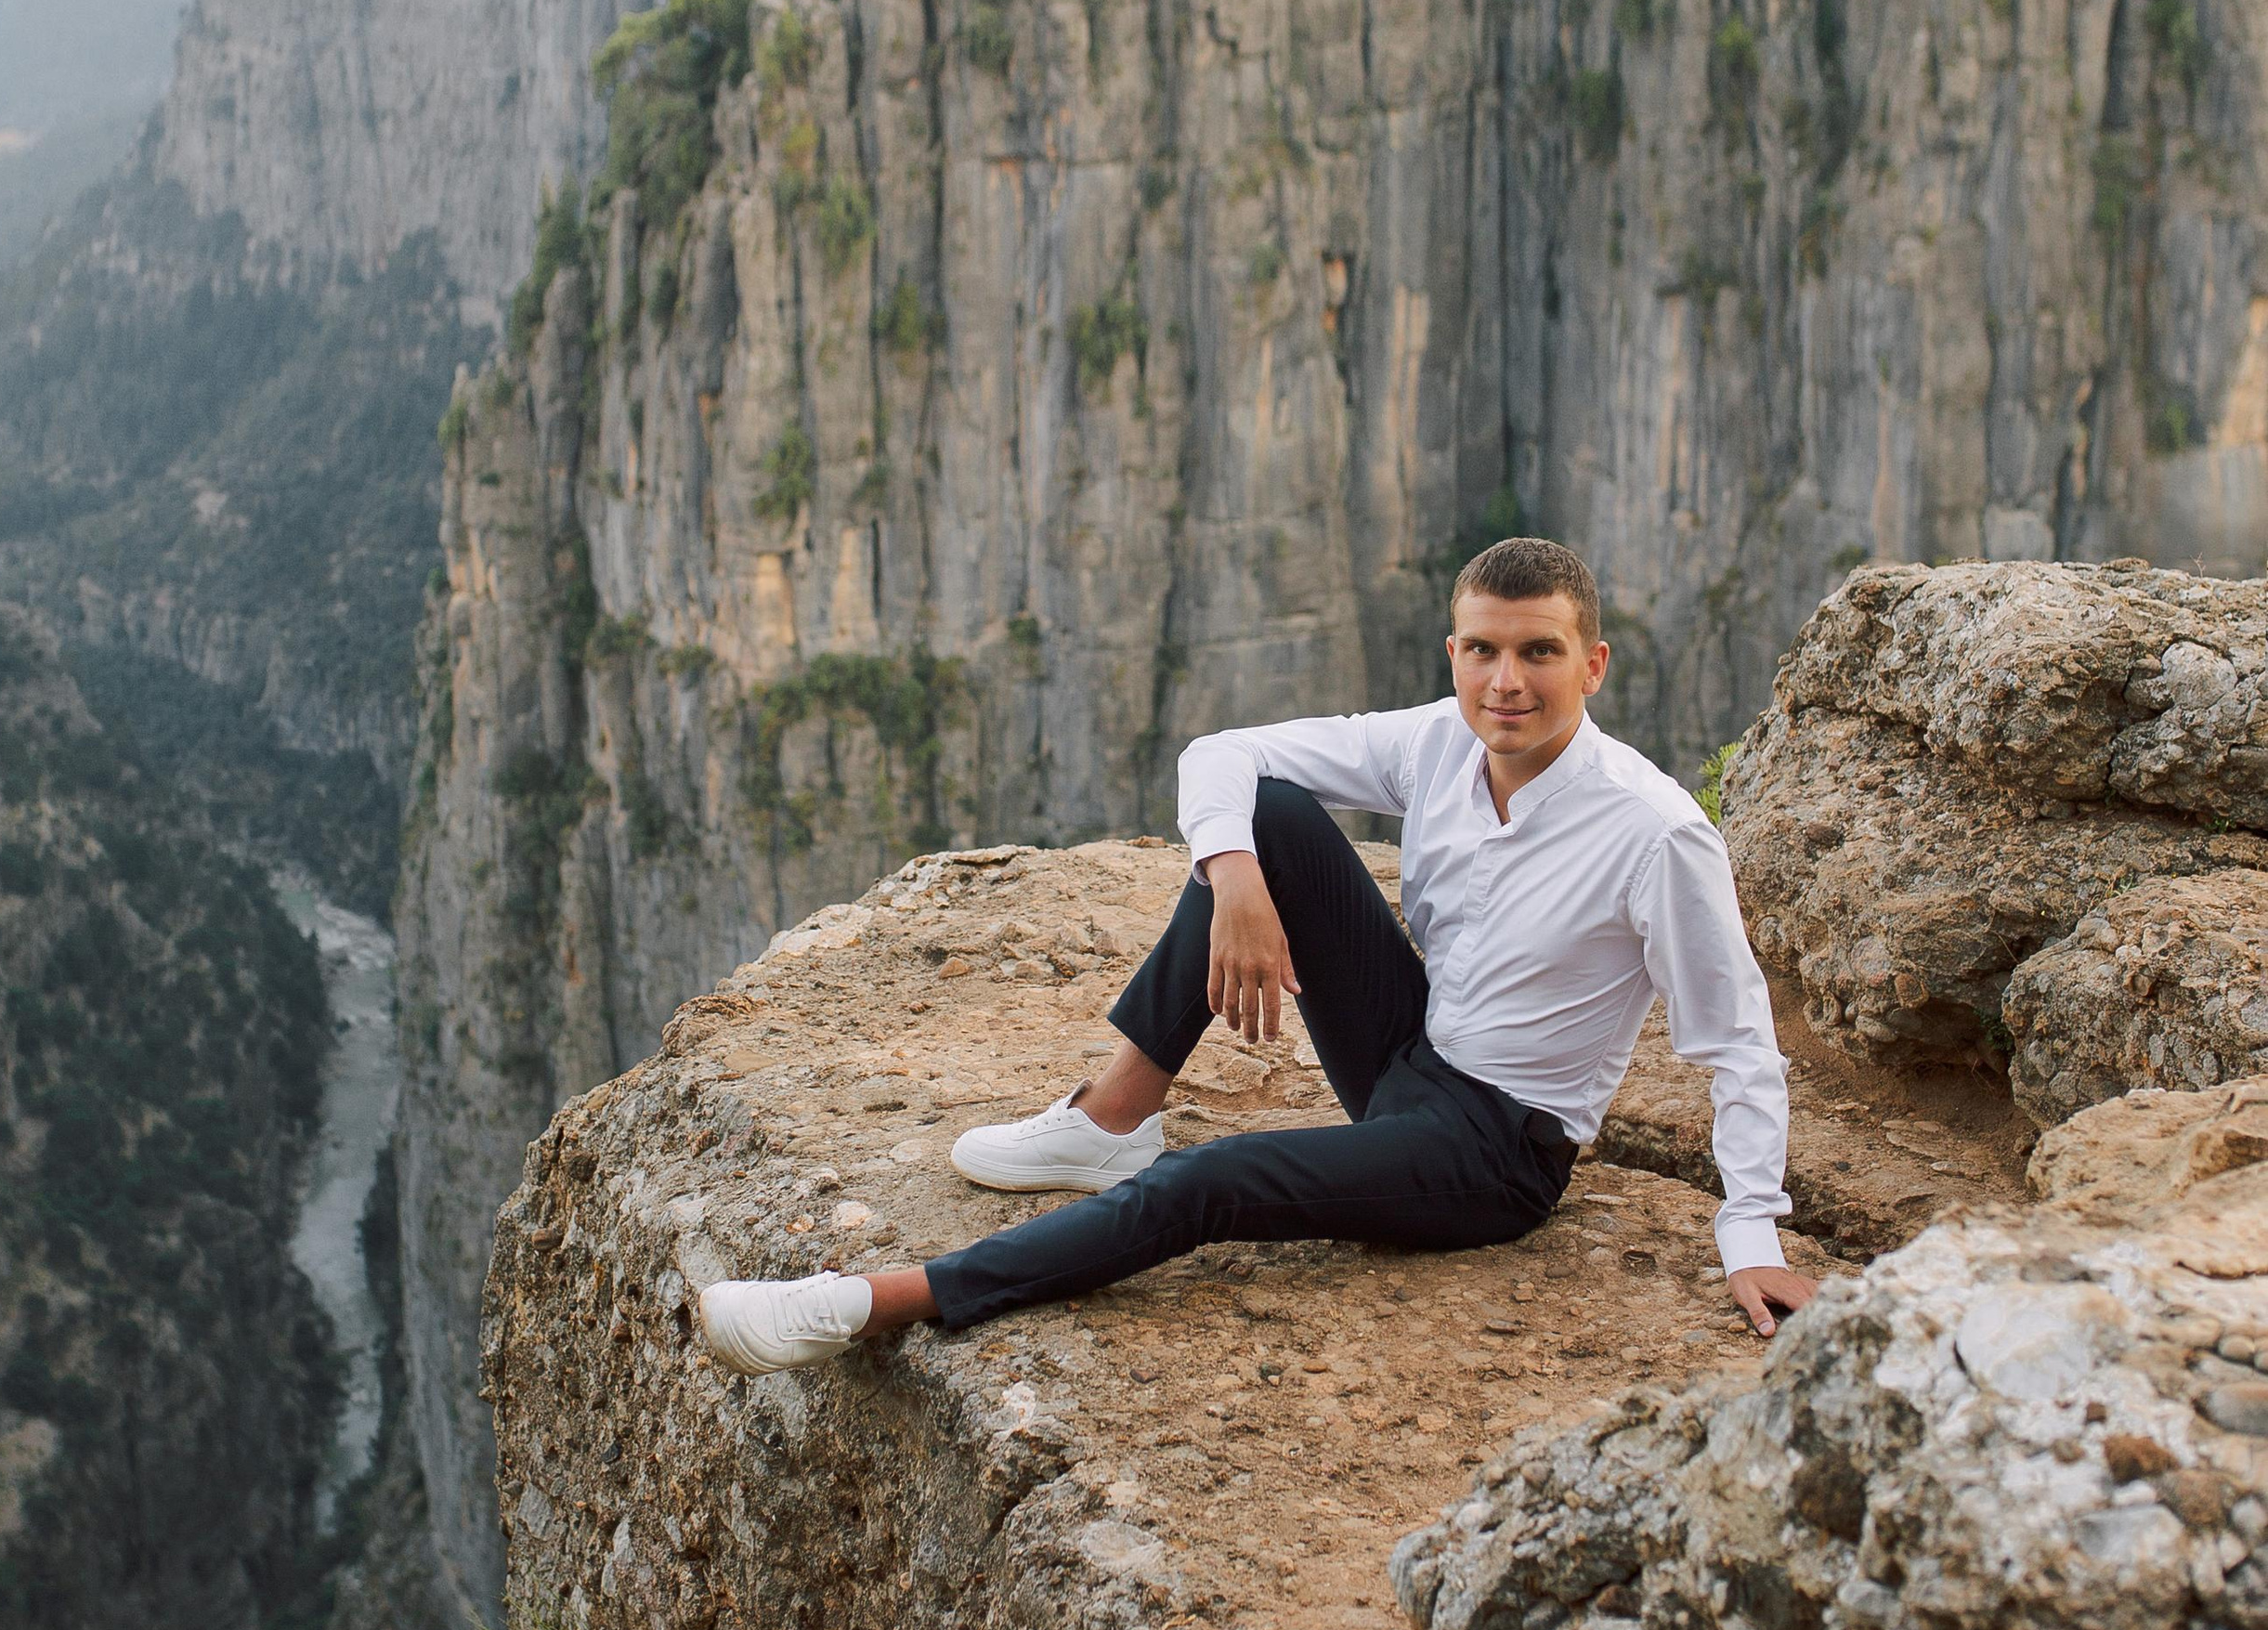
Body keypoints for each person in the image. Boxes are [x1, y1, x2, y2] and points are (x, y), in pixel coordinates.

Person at [695, 536, 1818, 1377]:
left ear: (1594, 664)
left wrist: (1749, 1228)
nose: (1505, 681)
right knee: (1270, 816)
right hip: (1410, 1051)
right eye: (1481, 649)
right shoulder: (1439, 740)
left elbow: (1735, 1038)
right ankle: (1108, 1125)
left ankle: (872, 1300)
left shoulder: (1652, 828)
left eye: (1539, 653)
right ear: (1455, 650)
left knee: (1212, 1183)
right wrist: (1232, 876)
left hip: (1494, 1149)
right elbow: (1224, 752)